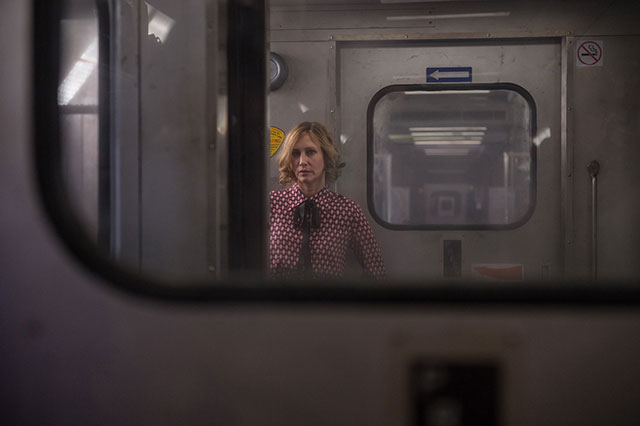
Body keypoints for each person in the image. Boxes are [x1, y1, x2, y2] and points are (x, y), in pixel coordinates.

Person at [269, 121, 385, 280]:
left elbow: (375, 268)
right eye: (295, 154)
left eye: (310, 152)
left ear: (326, 157)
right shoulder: (273, 203)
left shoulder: (346, 210)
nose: (302, 161)